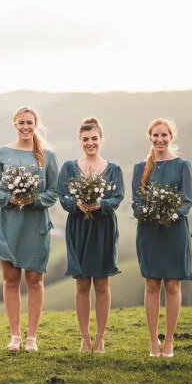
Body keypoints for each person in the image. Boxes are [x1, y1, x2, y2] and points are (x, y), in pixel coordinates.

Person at [0, 106, 58, 352]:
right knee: (10, 280)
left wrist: (33, 199)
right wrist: (12, 199)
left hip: (35, 224)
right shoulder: (2, 152)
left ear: (35, 124)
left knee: (35, 281)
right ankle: (15, 335)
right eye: (21, 123)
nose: (25, 127)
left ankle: (32, 338)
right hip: (8, 224)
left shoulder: (47, 155)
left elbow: (53, 192)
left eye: (29, 122)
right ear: (14, 124)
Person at [56, 117, 124, 353]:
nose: (90, 143)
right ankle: (85, 338)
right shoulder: (69, 167)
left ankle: (101, 338)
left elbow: (118, 197)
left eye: (94, 138)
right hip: (78, 227)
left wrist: (100, 205)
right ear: (80, 140)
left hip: (103, 227)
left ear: (101, 139)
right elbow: (61, 196)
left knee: (102, 284)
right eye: (85, 139)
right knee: (82, 283)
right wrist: (76, 203)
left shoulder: (113, 169)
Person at [132, 119, 192, 358]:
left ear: (171, 137)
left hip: (175, 232)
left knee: (172, 285)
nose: (160, 139)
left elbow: (187, 201)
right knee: (151, 285)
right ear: (150, 137)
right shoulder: (140, 167)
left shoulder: (182, 165)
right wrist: (150, 213)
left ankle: (169, 342)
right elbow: (136, 204)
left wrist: (169, 213)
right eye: (156, 135)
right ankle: (153, 343)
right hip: (149, 232)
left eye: (164, 135)